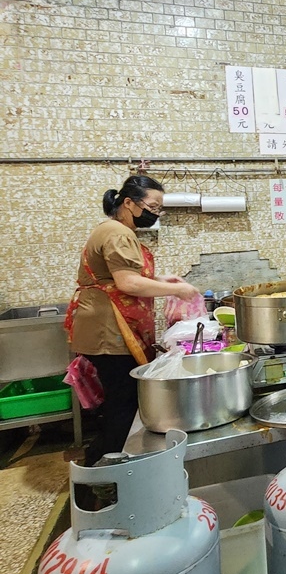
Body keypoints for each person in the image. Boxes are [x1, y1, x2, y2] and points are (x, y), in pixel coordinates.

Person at [65, 176, 201, 466]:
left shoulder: (111, 229)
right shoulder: (118, 233)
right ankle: (102, 468)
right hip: (109, 331)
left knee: (121, 401)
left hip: (106, 327)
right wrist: (179, 289)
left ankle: (109, 463)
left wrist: (162, 280)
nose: (155, 213)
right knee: (123, 404)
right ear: (128, 202)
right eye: (152, 206)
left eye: (159, 208)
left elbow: (120, 277)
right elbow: (128, 283)